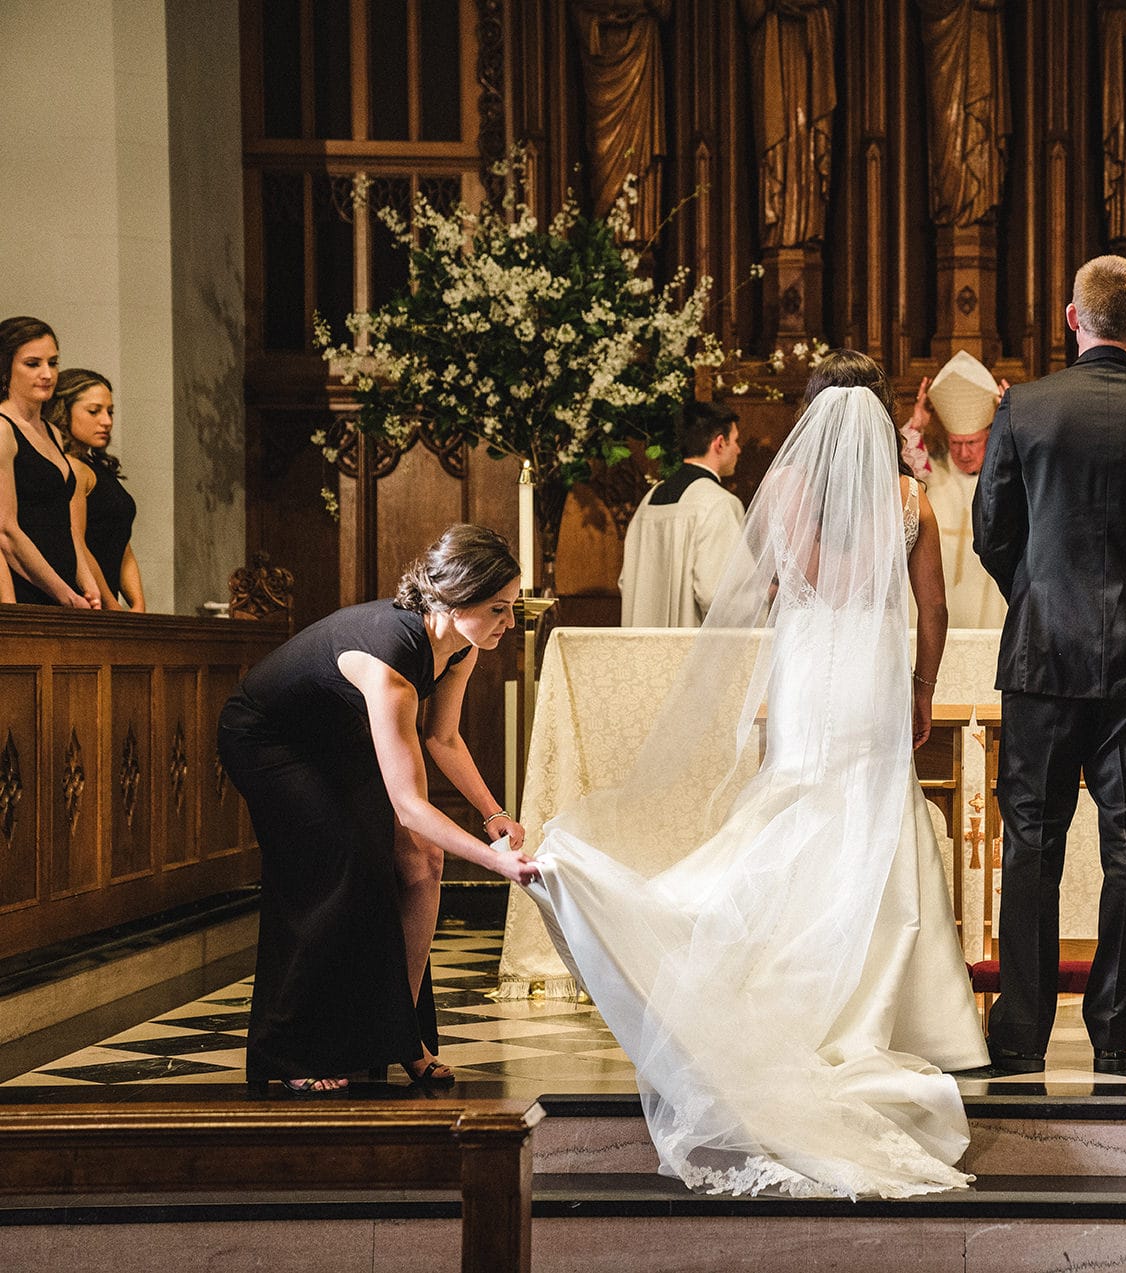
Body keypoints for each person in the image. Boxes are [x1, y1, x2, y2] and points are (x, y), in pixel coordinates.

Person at [527, 380, 988, 1198]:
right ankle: (903, 1011)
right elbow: (934, 604)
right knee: (873, 816)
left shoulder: (787, 498)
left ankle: (746, 957)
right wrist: (922, 685)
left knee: (795, 808)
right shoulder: (908, 498)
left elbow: (770, 592)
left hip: (810, 672)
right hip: (875, 675)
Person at [973, 254, 1126, 1078]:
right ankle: (1115, 1030)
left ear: (1073, 318)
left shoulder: (1026, 408)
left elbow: (991, 529)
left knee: (1031, 843)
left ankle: (1021, 1030)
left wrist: (1035, 590)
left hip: (1040, 656)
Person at [218, 525, 540, 1092]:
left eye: (511, 607)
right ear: (452, 599)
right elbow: (412, 807)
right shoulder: (388, 663)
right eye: (499, 608)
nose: (510, 623)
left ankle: (403, 1036)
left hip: (339, 735)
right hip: (270, 741)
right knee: (340, 868)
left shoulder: (462, 644)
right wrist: (499, 865)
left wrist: (493, 815)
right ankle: (297, 1053)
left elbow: (443, 739)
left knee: (424, 867)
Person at [619, 401, 745, 626]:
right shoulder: (718, 503)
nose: (738, 450)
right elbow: (717, 594)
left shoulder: (650, 499)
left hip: (641, 648)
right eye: (735, 441)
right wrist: (761, 593)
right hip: (688, 652)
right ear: (719, 443)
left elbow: (625, 581)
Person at [0, 316, 96, 608]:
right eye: (33, 364)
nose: (47, 374)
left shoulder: (52, 432)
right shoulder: (3, 429)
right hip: (27, 590)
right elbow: (6, 531)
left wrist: (87, 584)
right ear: (6, 368)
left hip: (63, 592)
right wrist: (64, 593)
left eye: (52, 363)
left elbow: (64, 525)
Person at [909, 361, 1010, 628]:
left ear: (989, 436)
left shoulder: (1005, 477)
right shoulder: (931, 474)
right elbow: (897, 469)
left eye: (972, 443)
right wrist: (917, 423)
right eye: (956, 443)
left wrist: (1012, 421)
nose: (963, 453)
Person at [49, 369, 145, 611]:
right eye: (94, 411)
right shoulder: (71, 468)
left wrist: (138, 603)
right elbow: (77, 542)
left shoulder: (95, 466)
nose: (107, 421)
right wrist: (111, 604)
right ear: (64, 411)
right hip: (86, 603)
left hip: (108, 603)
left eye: (110, 412)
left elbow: (121, 543)